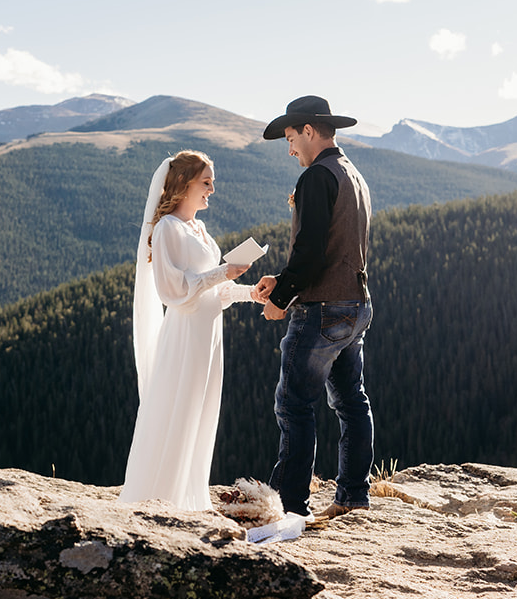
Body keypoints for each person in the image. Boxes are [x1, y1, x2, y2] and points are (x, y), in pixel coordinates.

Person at [251, 95, 375, 522]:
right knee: (351, 402)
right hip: (356, 304)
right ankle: (353, 496)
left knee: (294, 405)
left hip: (321, 308)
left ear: (308, 130)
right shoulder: (351, 173)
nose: (289, 149)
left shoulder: (316, 177)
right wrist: (280, 281)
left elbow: (310, 253)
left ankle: (290, 508)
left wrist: (280, 300)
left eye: (290, 138)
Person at [119, 150, 254, 510]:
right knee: (179, 412)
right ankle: (162, 500)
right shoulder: (167, 229)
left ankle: (188, 495)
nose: (212, 189)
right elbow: (173, 291)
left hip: (209, 334)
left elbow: (215, 291)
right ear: (184, 184)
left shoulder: (200, 229)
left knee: (201, 412)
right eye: (206, 182)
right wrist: (222, 272)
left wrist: (251, 293)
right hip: (185, 335)